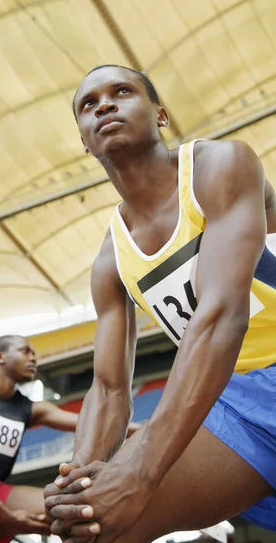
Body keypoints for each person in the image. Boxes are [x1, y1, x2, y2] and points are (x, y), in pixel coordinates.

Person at [44, 64, 276, 543]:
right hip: (231, 398)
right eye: (88, 104)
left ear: (161, 114)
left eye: (122, 92)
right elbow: (109, 390)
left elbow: (219, 318)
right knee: (89, 523)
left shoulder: (220, 165)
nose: (104, 104)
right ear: (84, 142)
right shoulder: (111, 261)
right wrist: (78, 480)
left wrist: (141, 471)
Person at [0, 333, 141, 542]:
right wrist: (6, 517)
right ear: (0, 356)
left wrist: (146, 429)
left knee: (73, 508)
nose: (33, 358)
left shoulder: (29, 408)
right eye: (25, 351)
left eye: (34, 353)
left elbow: (89, 423)